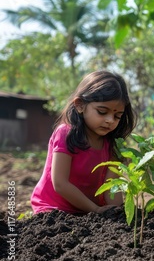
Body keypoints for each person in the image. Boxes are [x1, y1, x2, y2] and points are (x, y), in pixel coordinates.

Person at [31, 70, 136, 214]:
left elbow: (111, 188)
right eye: (102, 112)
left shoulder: (113, 144)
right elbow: (60, 184)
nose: (110, 120)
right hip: (54, 210)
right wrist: (95, 210)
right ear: (80, 105)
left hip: (90, 212)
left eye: (117, 116)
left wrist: (116, 213)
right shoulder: (66, 134)